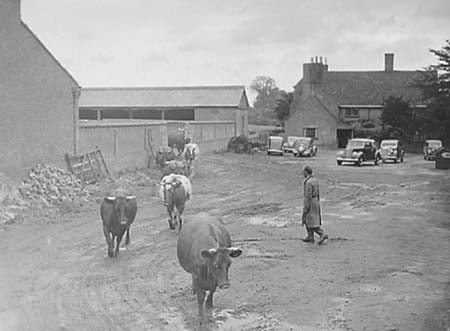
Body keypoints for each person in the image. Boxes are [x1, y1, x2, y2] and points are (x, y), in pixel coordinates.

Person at [301, 165, 329, 244]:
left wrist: (306, 207)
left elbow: (308, 196)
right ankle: (310, 236)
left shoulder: (309, 183)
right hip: (315, 201)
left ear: (306, 172)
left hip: (311, 202)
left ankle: (322, 233)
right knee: (311, 220)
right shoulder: (315, 180)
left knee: (309, 220)